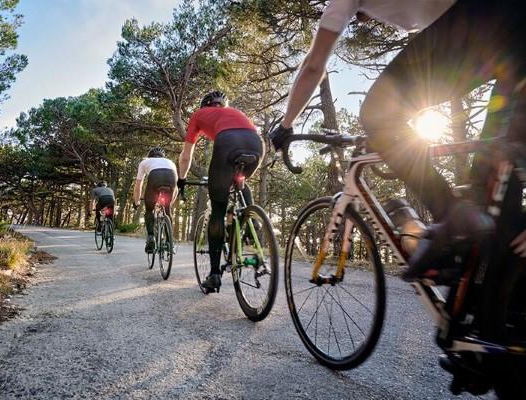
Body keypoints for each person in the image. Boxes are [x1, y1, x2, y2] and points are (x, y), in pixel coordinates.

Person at [269, 0, 524, 281]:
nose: (361, 22)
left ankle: (451, 216)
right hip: (509, 39)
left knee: (379, 111)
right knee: (491, 190)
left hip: (488, 18)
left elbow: (314, 65)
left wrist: (286, 124)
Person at [178, 91, 264, 292]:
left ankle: (215, 274)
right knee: (240, 183)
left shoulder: (199, 114)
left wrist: (181, 179)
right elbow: (253, 133)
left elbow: (186, 155)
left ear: (205, 104)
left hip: (227, 142)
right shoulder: (236, 112)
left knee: (218, 207)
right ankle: (251, 221)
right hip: (256, 144)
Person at [133, 146, 178, 253]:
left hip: (155, 178)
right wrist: (170, 203)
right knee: (167, 210)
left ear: (150, 156)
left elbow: (138, 185)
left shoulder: (145, 162)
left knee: (149, 209)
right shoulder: (170, 162)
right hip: (170, 178)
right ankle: (169, 242)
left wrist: (136, 201)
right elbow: (176, 188)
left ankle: (151, 237)